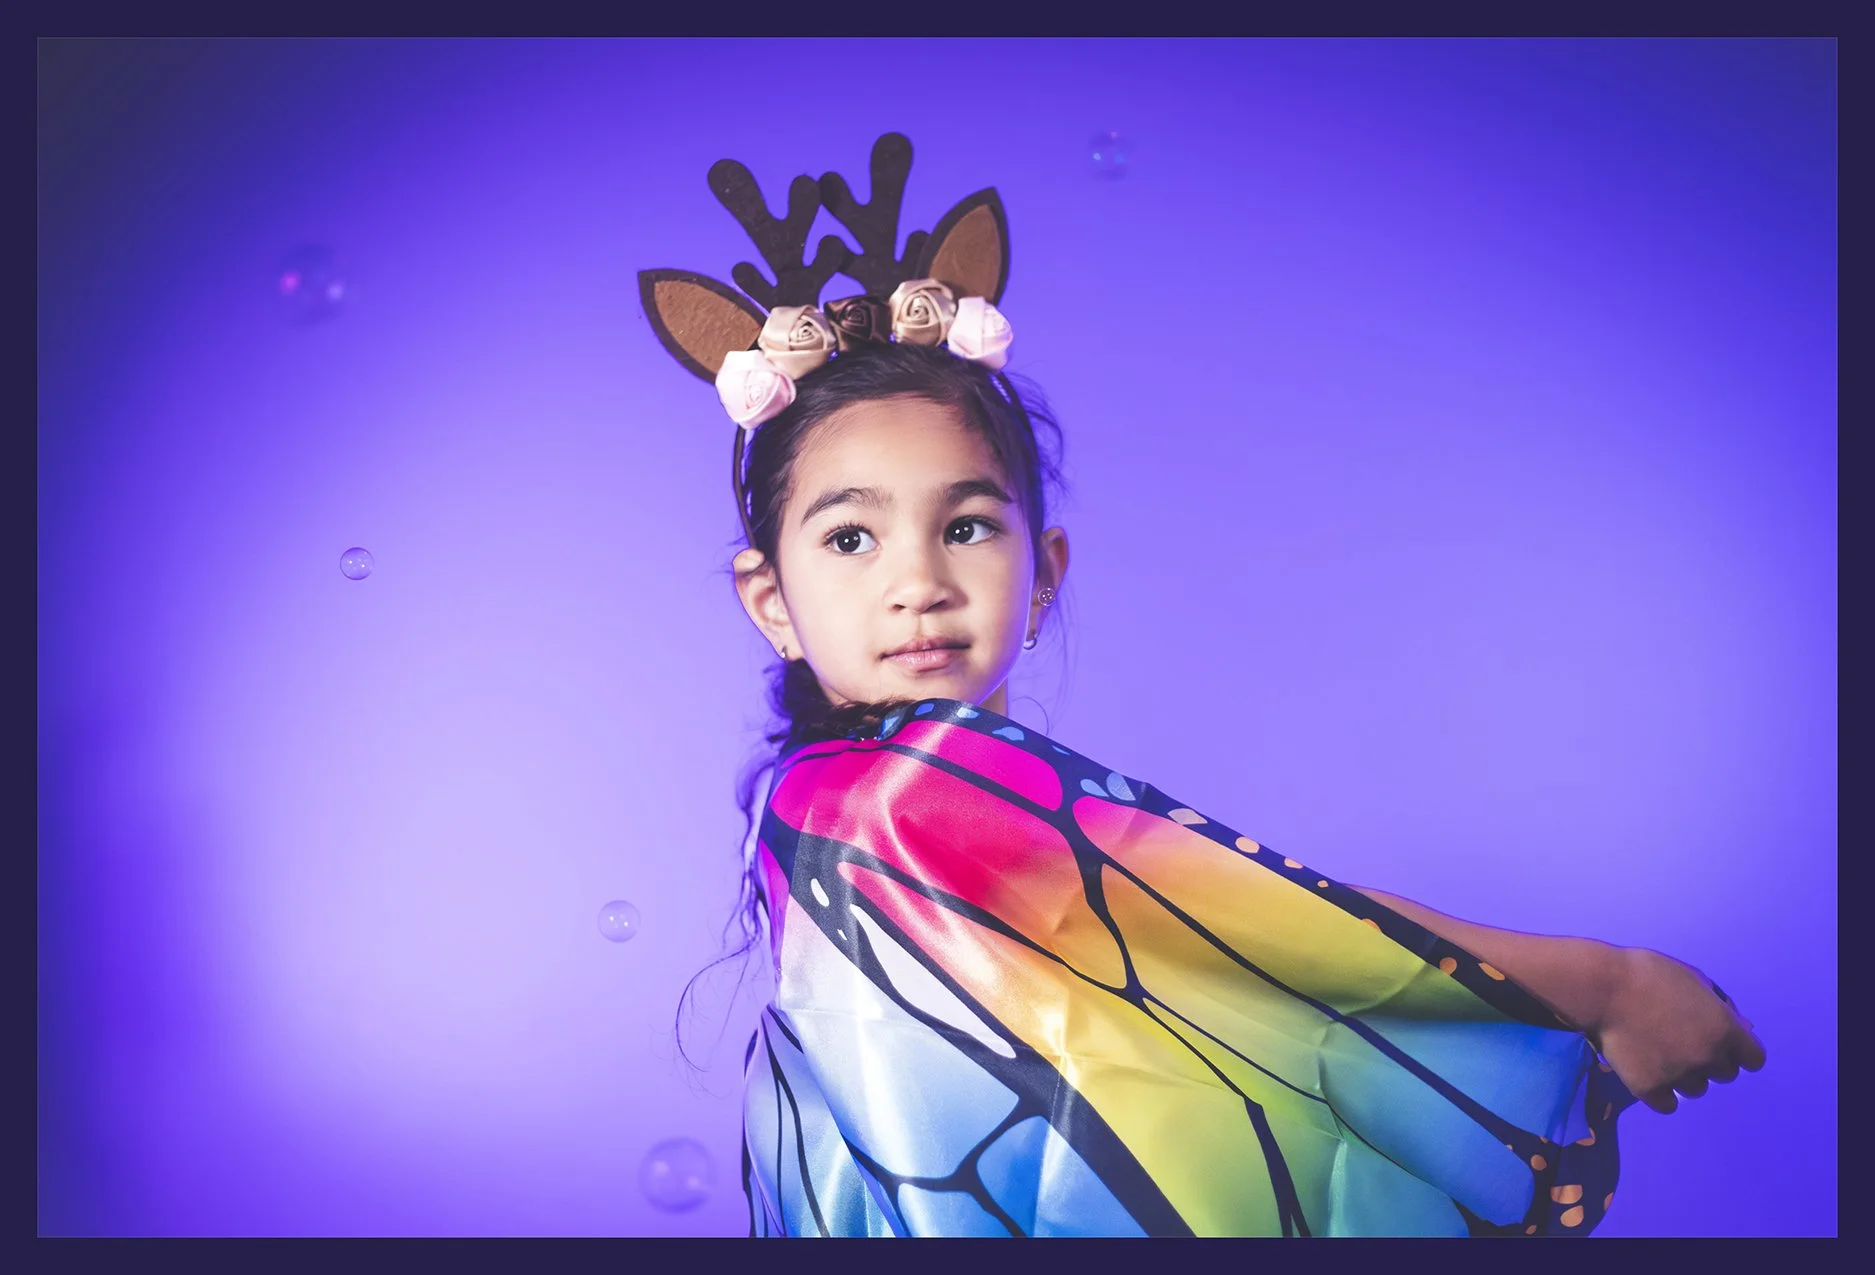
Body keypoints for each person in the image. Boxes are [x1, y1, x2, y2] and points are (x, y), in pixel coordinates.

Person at [640, 134, 1766, 1238]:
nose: (919, 584)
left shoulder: (814, 800)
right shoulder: (877, 804)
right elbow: (1290, 934)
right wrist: (1600, 987)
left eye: (968, 525)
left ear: (1044, 576)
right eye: (850, 540)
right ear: (770, 599)